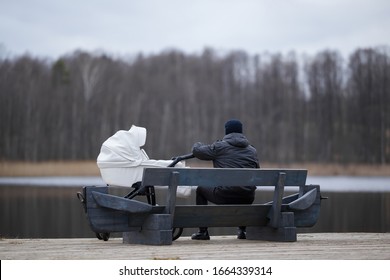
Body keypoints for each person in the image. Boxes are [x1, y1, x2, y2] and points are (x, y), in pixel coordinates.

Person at [190, 119, 260, 240]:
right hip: (247, 197)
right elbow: (257, 172)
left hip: (224, 195)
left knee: (201, 189)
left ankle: (203, 232)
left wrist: (198, 144)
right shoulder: (252, 151)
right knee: (243, 189)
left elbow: (197, 151)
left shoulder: (219, 147)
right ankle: (243, 231)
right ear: (241, 132)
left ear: (227, 132)